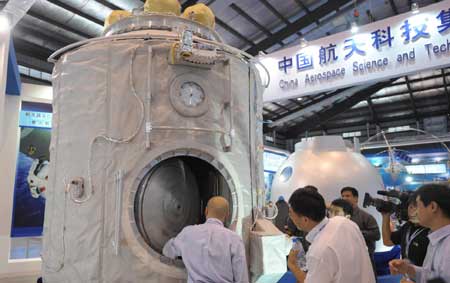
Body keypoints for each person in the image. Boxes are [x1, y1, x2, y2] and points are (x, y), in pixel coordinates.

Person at [287, 188, 375, 283]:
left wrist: (293, 266)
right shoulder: (345, 222)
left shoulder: (318, 252)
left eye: (291, 214)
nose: (290, 217)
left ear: (305, 220)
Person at [162, 196, 248, 283]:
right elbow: (241, 279)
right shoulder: (235, 240)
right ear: (227, 214)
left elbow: (168, 251)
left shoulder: (188, 233)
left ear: (206, 211)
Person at [389, 184, 450, 283]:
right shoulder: (435, 238)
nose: (415, 212)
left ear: (433, 207)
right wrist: (409, 269)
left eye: (418, 206)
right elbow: (430, 275)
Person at [381, 192, 429, 266]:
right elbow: (388, 241)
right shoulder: (408, 226)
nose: (411, 210)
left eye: (416, 206)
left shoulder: (432, 229)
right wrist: (385, 216)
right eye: (410, 206)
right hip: (409, 274)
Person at [341, 186, 380, 274]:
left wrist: (355, 232)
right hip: (346, 260)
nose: (344, 198)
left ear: (356, 198)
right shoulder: (339, 217)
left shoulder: (366, 217)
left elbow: (376, 235)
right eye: (342, 196)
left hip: (365, 259)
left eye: (347, 196)